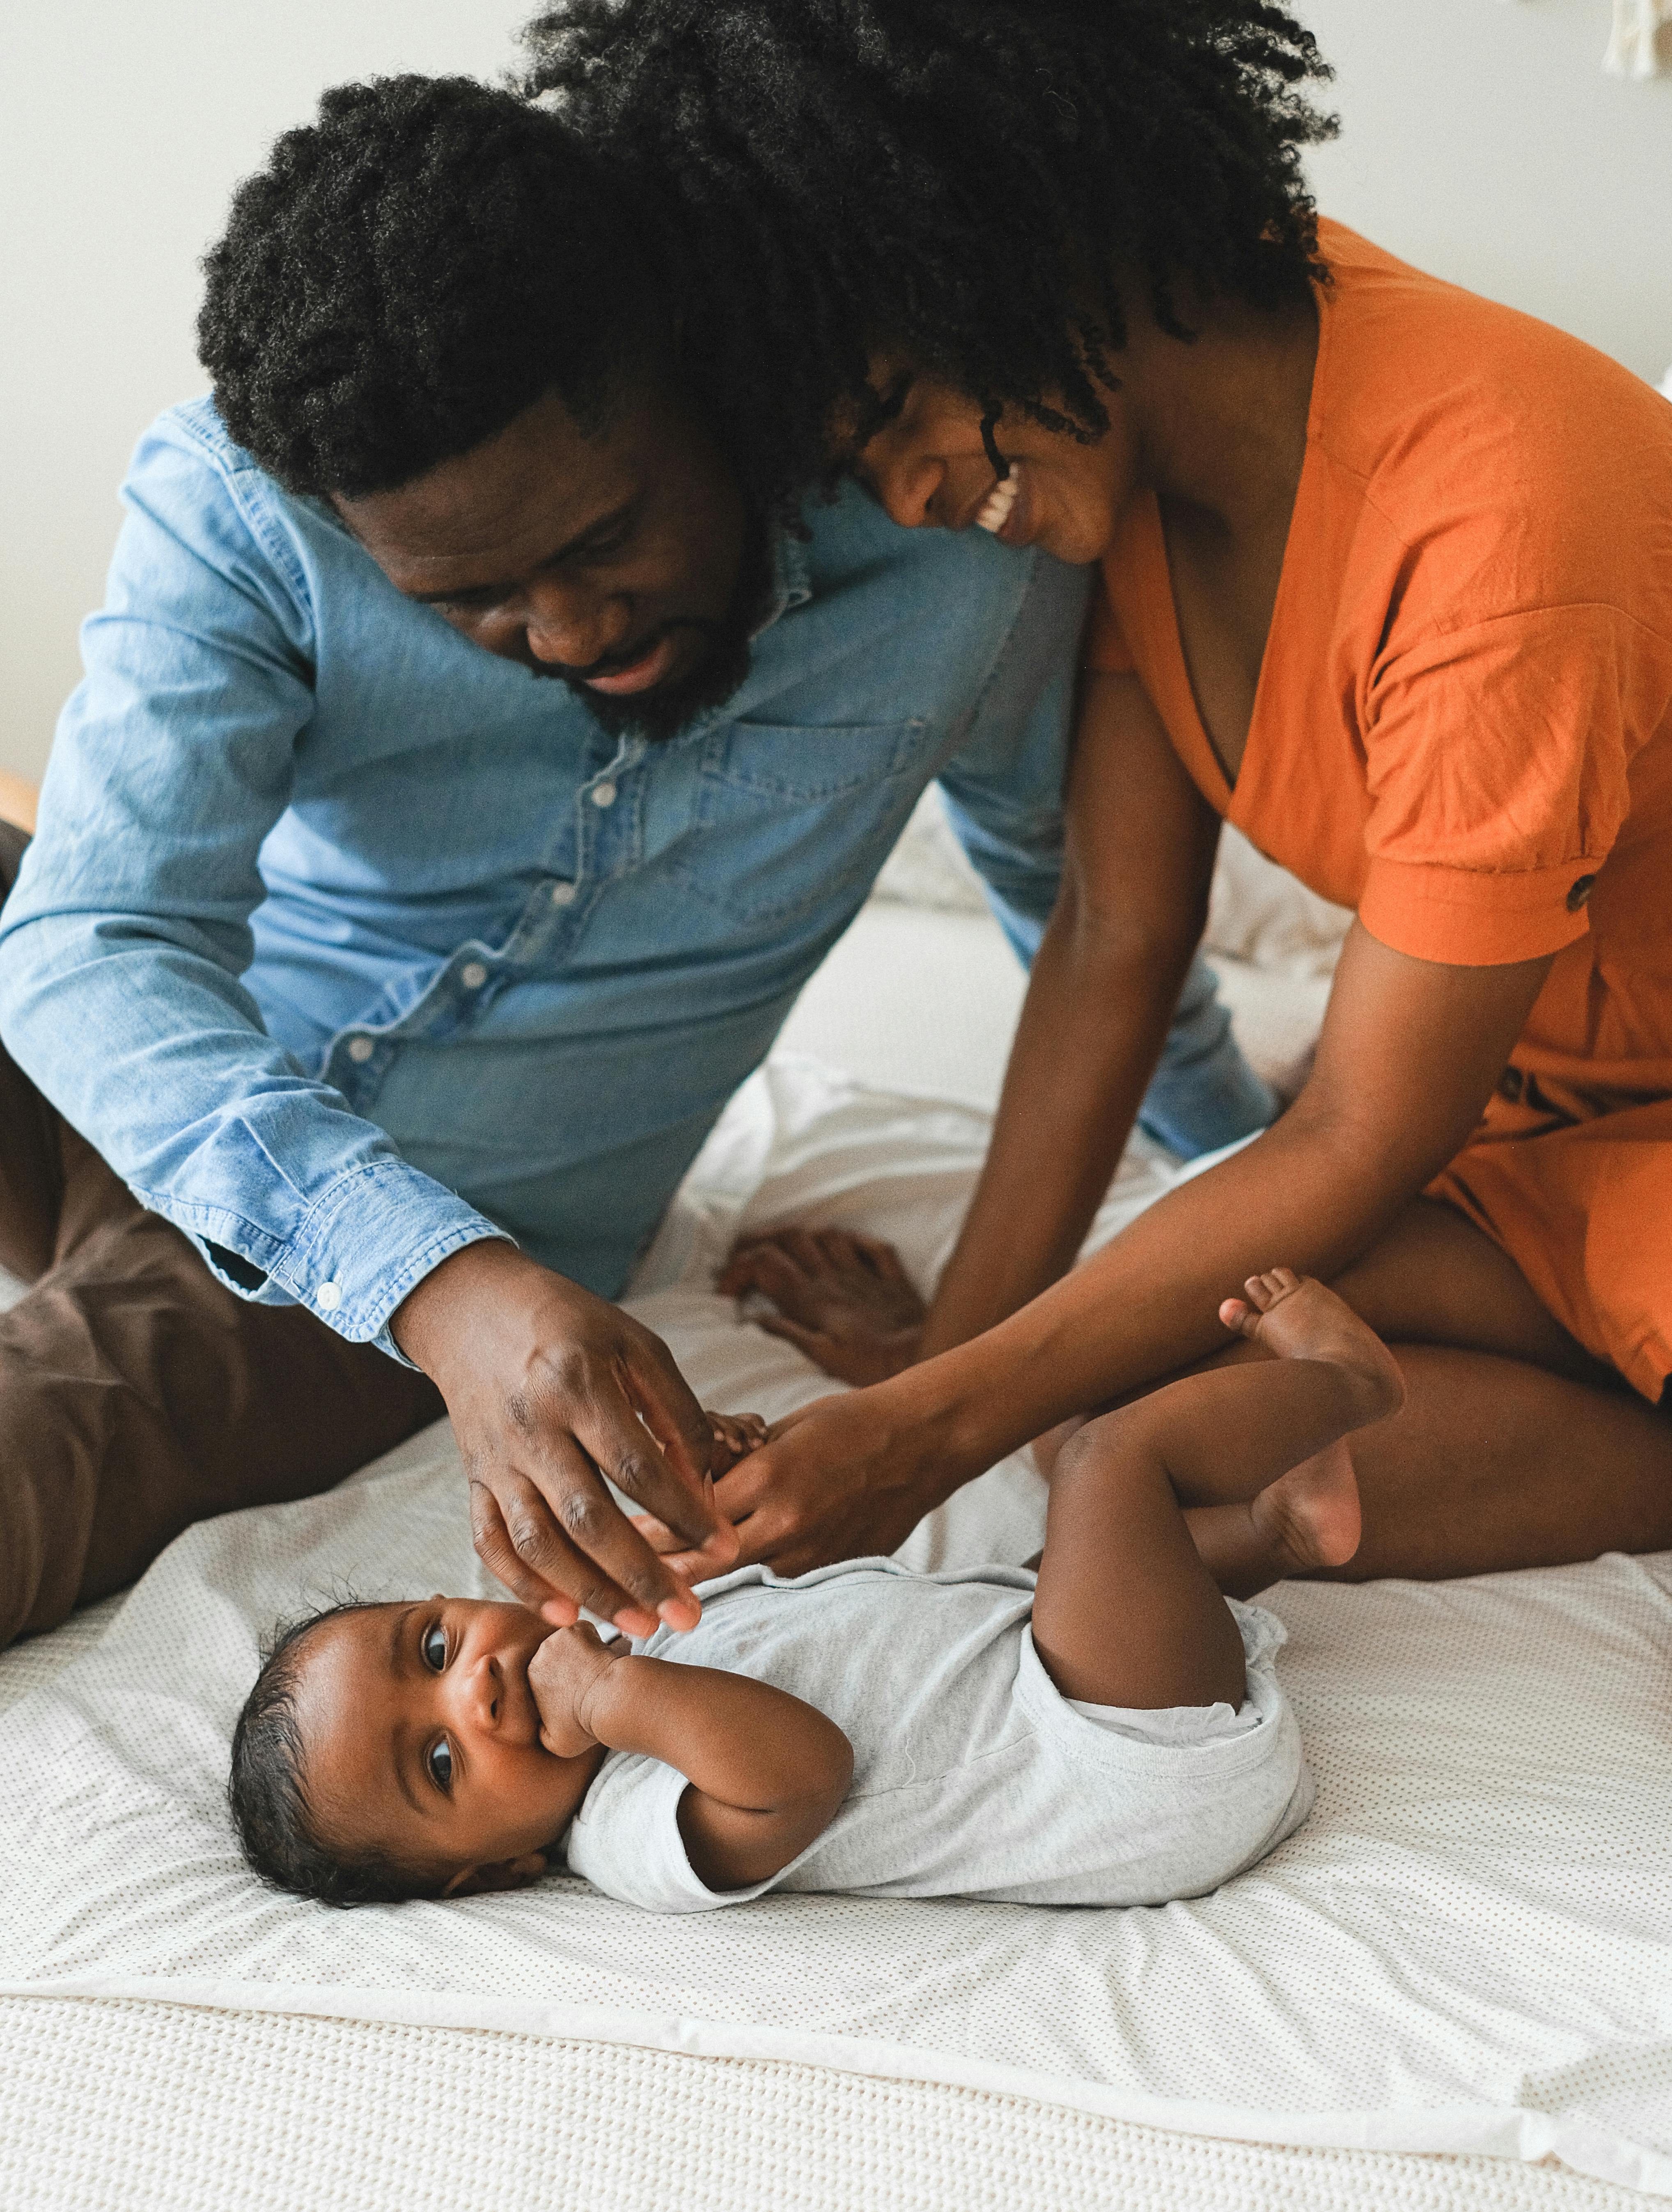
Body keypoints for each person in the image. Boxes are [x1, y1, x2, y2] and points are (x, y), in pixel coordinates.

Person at [0, 73, 1271, 1652]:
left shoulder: (959, 562)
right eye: (467, 602)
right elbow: (91, 945)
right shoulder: (240, 501)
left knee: (42, 1434)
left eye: (603, 544)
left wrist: (1249, 1159)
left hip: (327, 1285)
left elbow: (1084, 906)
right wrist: (444, 1286)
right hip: (162, 1098)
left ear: (713, 381)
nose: (569, 631)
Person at [528, 0, 1672, 1583]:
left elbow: (1351, 1133)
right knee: (1115, 1422)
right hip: (1530, 1115)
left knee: (1116, 1438)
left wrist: (934, 1426)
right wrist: (960, 1353)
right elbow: (1117, 934)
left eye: (893, 418)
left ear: (1017, 245)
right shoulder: (1150, 448)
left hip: (1553, 1125)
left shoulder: (1504, 525)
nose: (915, 499)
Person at [228, 1268, 1401, 1910]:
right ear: (497, 1870)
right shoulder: (626, 1832)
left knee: (1065, 1567)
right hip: (1115, 1769)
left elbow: (806, 1606)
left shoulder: (607, 1642)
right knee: (1105, 1467)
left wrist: (723, 1490)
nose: (470, 1696)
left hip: (1050, 1686)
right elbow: (799, 1770)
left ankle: (1280, 1527)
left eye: (430, 1650)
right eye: (437, 1764)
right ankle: (1346, 1382)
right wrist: (612, 1703)